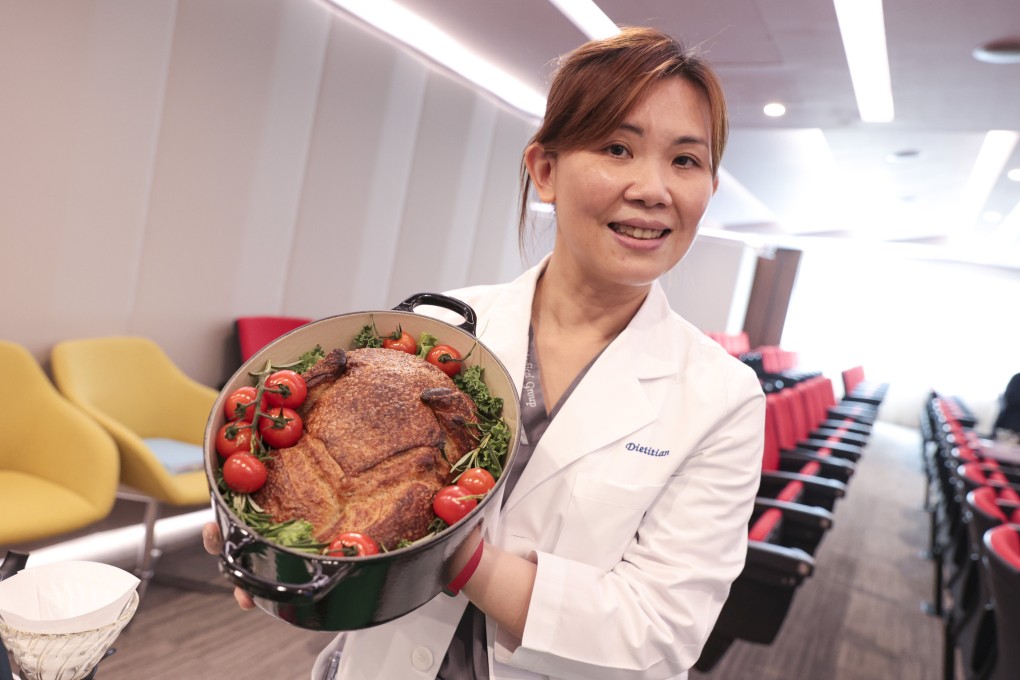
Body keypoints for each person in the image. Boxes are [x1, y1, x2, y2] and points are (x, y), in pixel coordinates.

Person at [203, 25, 764, 679]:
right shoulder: (433, 336)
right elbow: (322, 465)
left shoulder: (721, 398)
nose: (653, 188)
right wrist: (269, 539)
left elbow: (661, 631)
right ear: (545, 170)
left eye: (686, 161)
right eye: (618, 147)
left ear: (710, 188)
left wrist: (457, 559)